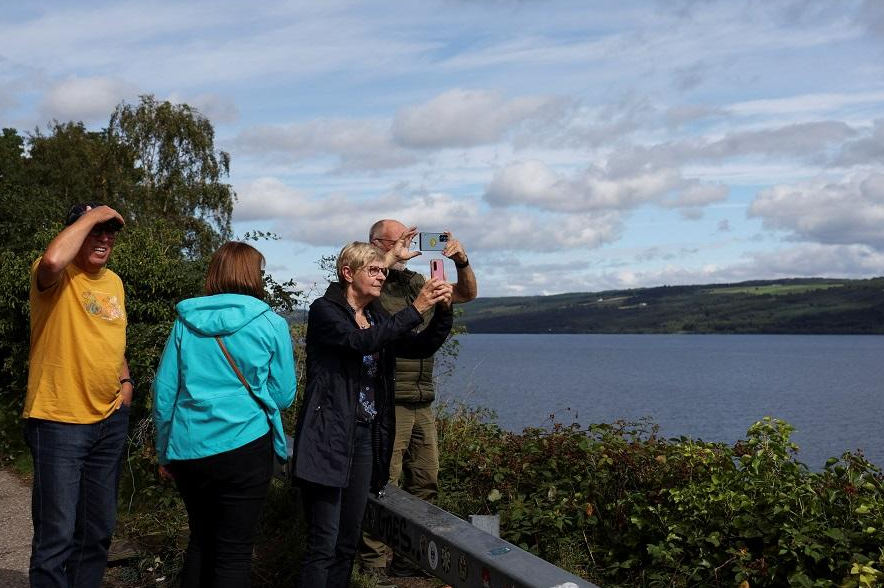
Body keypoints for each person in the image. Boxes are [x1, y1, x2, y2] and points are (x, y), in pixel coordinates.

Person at [292, 241, 454, 588]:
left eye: (383, 270)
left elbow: (419, 346)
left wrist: (442, 310)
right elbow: (358, 343)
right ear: (348, 273)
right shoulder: (326, 311)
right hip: (327, 436)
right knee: (324, 542)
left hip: (364, 435)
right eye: (374, 270)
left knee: (347, 541)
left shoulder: (377, 317)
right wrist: (415, 306)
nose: (382, 276)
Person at [152, 241, 297, 588]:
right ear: (254, 275)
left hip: (189, 447)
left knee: (201, 540)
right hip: (246, 447)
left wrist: (164, 450)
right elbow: (284, 395)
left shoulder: (185, 322)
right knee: (233, 552)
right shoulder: (271, 323)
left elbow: (164, 393)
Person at [359, 219, 477, 578]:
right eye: (401, 240)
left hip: (422, 397)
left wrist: (462, 261)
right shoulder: (372, 283)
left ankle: (412, 560)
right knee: (384, 483)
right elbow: (390, 326)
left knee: (425, 479)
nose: (409, 245)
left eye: (412, 239)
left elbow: (467, 294)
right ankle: (372, 566)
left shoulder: (413, 281)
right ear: (378, 243)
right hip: (390, 397)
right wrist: (425, 300)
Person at [24, 202, 133, 587]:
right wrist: (93, 214)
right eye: (95, 231)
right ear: (76, 231)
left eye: (110, 232)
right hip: (58, 421)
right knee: (57, 536)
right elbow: (54, 258)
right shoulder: (53, 274)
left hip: (109, 419)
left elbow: (111, 340)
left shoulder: (115, 283)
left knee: (96, 532)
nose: (105, 238)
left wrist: (126, 383)